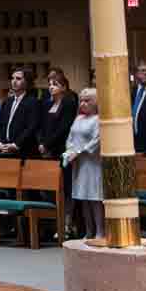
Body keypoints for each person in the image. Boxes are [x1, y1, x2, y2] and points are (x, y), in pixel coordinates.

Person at [64, 87, 104, 240]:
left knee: (95, 198)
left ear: (96, 102)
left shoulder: (98, 119)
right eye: (81, 100)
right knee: (84, 199)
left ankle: (100, 232)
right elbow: (70, 138)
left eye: (88, 100)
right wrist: (69, 152)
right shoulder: (78, 119)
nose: (83, 103)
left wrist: (79, 152)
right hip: (78, 164)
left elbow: (96, 141)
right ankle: (89, 231)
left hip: (92, 163)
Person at [0, 67, 43, 160]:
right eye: (13, 78)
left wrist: (16, 144)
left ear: (27, 82)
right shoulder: (7, 101)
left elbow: (31, 127)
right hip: (4, 150)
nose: (14, 81)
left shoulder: (34, 102)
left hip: (24, 152)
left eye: (18, 79)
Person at [38, 68, 77, 162]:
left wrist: (47, 144)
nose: (51, 87)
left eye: (55, 84)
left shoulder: (68, 103)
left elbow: (64, 128)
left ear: (63, 87)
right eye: (50, 85)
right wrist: (41, 143)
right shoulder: (47, 104)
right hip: (44, 149)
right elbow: (41, 125)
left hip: (60, 147)